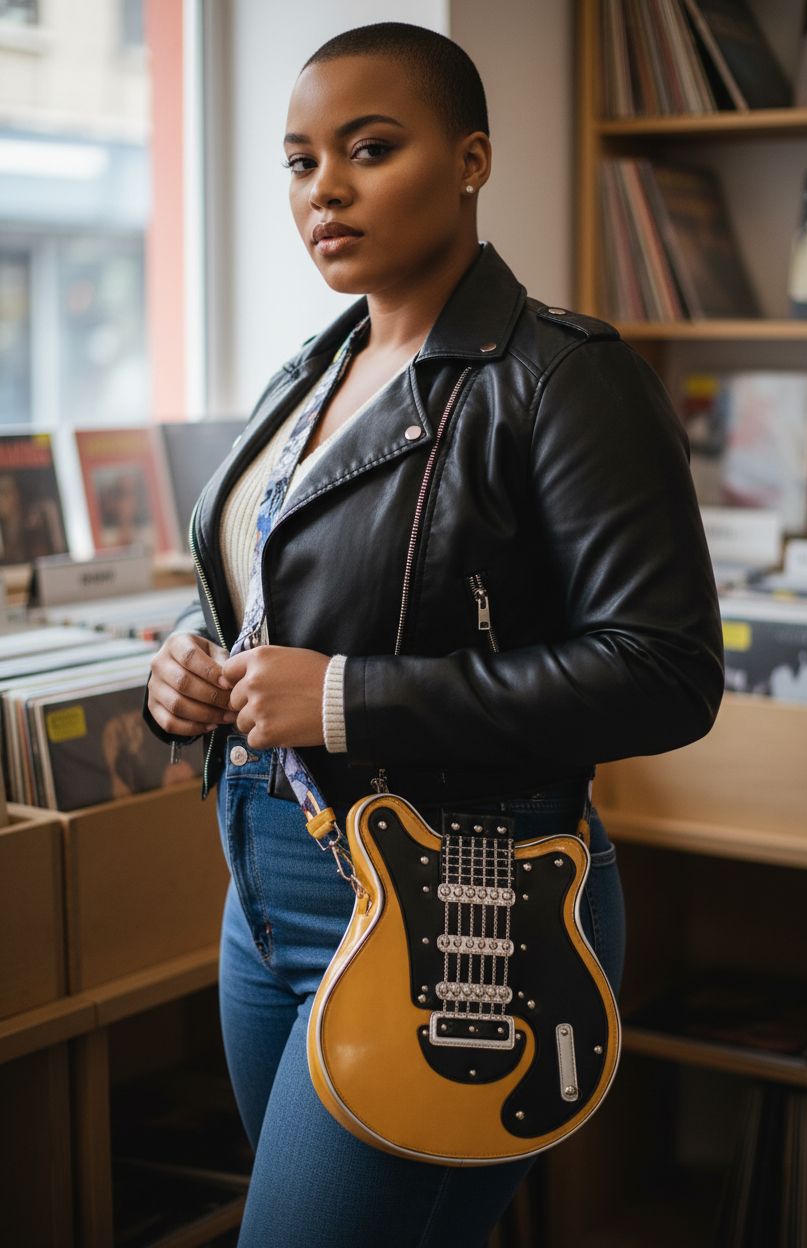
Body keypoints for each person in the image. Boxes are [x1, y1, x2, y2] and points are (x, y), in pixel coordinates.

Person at [143, 21, 724, 1248]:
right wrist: (188, 665)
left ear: (470, 159)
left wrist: (346, 698)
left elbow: (664, 673)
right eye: (300, 162)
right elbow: (266, 595)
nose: (326, 190)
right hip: (268, 887)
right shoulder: (312, 368)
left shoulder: (563, 376)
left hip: (467, 899)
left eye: (369, 148)